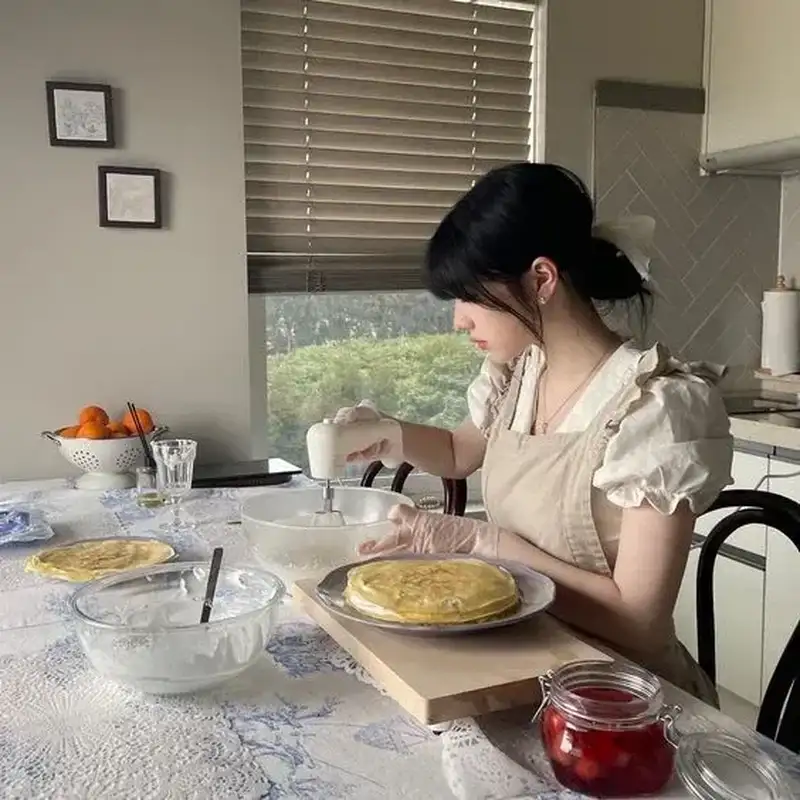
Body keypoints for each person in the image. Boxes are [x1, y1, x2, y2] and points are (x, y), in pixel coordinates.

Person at [334, 162, 733, 704]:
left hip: (621, 699)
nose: (458, 320)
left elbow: (639, 623)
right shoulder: (519, 373)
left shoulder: (657, 411)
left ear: (541, 279)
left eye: (471, 296)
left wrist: (486, 544)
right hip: (530, 666)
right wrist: (387, 431)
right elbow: (458, 451)